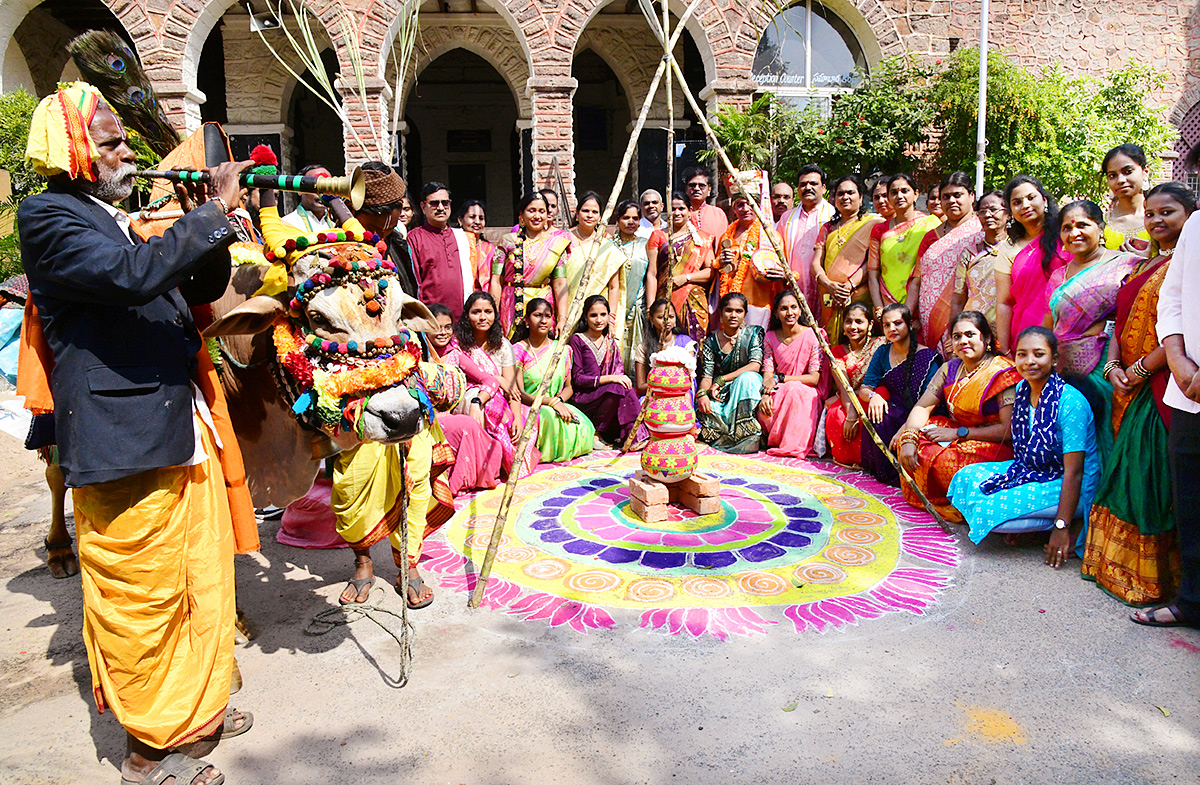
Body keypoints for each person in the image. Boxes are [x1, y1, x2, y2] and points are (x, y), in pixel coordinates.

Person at [19, 83, 255, 785]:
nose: (129, 151)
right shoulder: (48, 217)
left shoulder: (115, 218)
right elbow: (129, 278)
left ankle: (197, 710)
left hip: (174, 425)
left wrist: (205, 220)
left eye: (125, 138)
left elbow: (192, 286)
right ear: (71, 150)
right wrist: (210, 212)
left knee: (197, 578)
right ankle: (148, 749)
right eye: (112, 140)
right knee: (142, 595)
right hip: (120, 437)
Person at [1085, 183, 1195, 606]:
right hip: (1127, 380)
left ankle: (1159, 581)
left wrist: (1138, 369)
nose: (1156, 220)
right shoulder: (1145, 264)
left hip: (1160, 385)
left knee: (1145, 478)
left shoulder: (1186, 266)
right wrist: (1113, 366)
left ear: (1191, 215)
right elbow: (1119, 317)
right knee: (1125, 474)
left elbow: (1179, 328)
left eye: (1168, 212)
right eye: (1150, 214)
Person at [948, 327, 1101, 564]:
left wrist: (1061, 528)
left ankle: (1060, 525)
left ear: (1054, 360)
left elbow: (1075, 471)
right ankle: (1032, 524)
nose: (1030, 361)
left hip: (1069, 482)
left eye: (1039, 354)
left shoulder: (1071, 403)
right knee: (965, 477)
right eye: (1022, 354)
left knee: (990, 511)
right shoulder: (1022, 389)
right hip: (1034, 469)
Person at [1135, 190, 1200, 628]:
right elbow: (1171, 300)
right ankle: (1191, 601)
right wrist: (1176, 357)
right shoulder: (1196, 227)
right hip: (1188, 391)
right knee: (1191, 502)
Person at [895, 312, 1021, 522]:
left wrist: (959, 433)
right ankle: (943, 497)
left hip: (991, 443)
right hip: (956, 435)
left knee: (946, 461)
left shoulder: (1002, 372)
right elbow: (923, 407)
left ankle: (960, 503)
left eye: (970, 334)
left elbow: (1008, 430)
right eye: (957, 336)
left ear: (987, 338)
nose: (963, 341)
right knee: (912, 441)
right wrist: (909, 437)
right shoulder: (950, 368)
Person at [1046, 200, 1139, 461]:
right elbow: (1049, 326)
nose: (1074, 233)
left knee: (1110, 431)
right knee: (1076, 437)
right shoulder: (1059, 276)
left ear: (1100, 228)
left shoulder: (1128, 264)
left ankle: (1107, 499)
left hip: (1108, 364)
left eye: (1082, 225)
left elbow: (1136, 313)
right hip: (1065, 368)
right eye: (1066, 228)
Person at [453, 291, 536, 476]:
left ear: (495, 315)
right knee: (485, 403)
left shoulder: (503, 345)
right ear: (467, 315)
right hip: (468, 399)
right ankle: (481, 464)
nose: (483, 317)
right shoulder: (458, 345)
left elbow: (512, 389)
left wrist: (516, 418)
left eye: (488, 312)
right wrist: (497, 380)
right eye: (476, 312)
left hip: (501, 401)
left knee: (517, 417)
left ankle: (497, 461)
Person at [858, 303, 942, 486]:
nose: (892, 329)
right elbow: (864, 388)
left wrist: (906, 428)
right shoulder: (882, 352)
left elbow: (930, 403)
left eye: (897, 323)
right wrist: (874, 397)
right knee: (878, 415)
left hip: (922, 416)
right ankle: (880, 471)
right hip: (894, 412)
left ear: (910, 325)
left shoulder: (927, 358)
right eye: (887, 325)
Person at [426, 303, 504, 493]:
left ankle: (467, 479)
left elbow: (490, 380)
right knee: (466, 426)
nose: (443, 333)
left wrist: (477, 401)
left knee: (469, 425)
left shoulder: (455, 356)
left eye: (447, 327)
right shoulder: (418, 357)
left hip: (449, 417)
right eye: (436, 328)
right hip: (427, 420)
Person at [907, 172, 983, 353]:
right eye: (946, 197)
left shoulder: (981, 231)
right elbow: (916, 279)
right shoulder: (930, 236)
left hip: (969, 316)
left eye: (958, 195)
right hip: (930, 321)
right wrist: (906, 315)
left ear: (971, 196)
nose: (951, 201)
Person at [512, 298, 595, 462]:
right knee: (550, 416)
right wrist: (551, 402)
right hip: (530, 406)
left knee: (585, 427)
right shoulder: (518, 350)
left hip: (558, 403)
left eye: (548, 316)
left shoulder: (562, 349)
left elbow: (569, 387)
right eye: (537, 315)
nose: (543, 320)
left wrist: (559, 401)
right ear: (527, 320)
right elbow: (521, 394)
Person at [995, 174, 1069, 356]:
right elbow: (1004, 302)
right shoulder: (1009, 249)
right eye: (1017, 202)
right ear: (1011, 211)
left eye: (1031, 198)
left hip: (1068, 329)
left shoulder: (1066, 236)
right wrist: (1004, 349)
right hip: (1025, 334)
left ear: (1044, 200)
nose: (1025, 205)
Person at [812, 174, 885, 339]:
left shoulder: (873, 223)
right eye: (840, 193)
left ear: (860, 198)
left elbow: (873, 262)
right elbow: (816, 262)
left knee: (860, 339)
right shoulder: (827, 228)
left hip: (859, 294)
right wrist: (828, 283)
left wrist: (850, 285)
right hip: (829, 295)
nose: (845, 197)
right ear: (834, 199)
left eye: (850, 193)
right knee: (830, 343)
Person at [491, 192, 571, 335]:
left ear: (547, 215)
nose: (537, 216)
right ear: (521, 214)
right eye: (531, 211)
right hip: (511, 303)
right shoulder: (507, 241)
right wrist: (494, 314)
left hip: (543, 305)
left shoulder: (556, 245)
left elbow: (560, 284)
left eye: (541, 211)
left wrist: (563, 318)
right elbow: (496, 281)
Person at [568, 295, 641, 447]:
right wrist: (610, 378)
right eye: (593, 315)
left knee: (624, 387)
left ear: (609, 316)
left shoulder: (611, 343)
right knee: (616, 386)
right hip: (585, 397)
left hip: (608, 398)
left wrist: (616, 379)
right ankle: (603, 433)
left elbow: (619, 373)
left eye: (603, 314)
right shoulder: (578, 339)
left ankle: (631, 435)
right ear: (586, 317)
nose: (599, 320)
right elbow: (578, 379)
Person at [759, 289, 825, 457]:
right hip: (778, 389)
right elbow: (768, 371)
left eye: (794, 307)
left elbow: (814, 378)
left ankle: (793, 445)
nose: (790, 313)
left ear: (801, 310)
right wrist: (765, 394)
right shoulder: (770, 337)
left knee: (794, 389)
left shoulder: (812, 336)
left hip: (805, 390)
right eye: (784, 308)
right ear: (775, 313)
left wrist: (782, 379)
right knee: (766, 406)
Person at [697, 292, 765, 453]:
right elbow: (707, 376)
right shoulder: (711, 342)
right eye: (729, 310)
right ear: (721, 313)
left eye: (739, 311)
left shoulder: (754, 333)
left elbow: (755, 365)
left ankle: (746, 435)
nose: (733, 315)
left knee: (747, 379)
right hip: (722, 393)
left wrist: (721, 379)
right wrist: (702, 395)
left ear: (745, 314)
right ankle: (727, 437)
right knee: (706, 408)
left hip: (747, 391)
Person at [644, 193, 715, 343]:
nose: (677, 213)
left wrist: (686, 278)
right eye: (673, 209)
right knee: (665, 343)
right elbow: (652, 274)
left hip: (694, 301)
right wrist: (651, 307)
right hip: (666, 299)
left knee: (696, 343)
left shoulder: (702, 238)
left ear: (689, 211)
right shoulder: (658, 236)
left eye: (681, 208)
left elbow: (710, 271)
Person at [867, 173, 940, 312]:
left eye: (905, 191)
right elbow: (873, 273)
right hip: (887, 302)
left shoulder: (931, 224)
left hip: (922, 302)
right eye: (894, 193)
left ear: (916, 194)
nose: (899, 196)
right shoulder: (879, 229)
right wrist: (879, 307)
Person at [825, 303, 886, 467]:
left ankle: (871, 459)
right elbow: (844, 387)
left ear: (870, 324)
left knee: (873, 412)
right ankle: (848, 457)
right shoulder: (837, 351)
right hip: (849, 398)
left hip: (874, 395)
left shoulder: (881, 344)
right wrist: (851, 415)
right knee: (837, 416)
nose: (853, 326)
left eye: (859, 322)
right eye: (848, 321)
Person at [718, 185, 786, 329]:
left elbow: (782, 269)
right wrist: (721, 260)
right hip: (730, 300)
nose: (745, 208)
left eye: (750, 203)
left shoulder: (769, 235)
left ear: (758, 206)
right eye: (740, 205)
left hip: (758, 301)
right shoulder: (727, 235)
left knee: (755, 344)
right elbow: (718, 265)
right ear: (734, 209)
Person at [352, 162, 420, 298]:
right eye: (373, 229)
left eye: (389, 229)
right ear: (353, 211)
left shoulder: (398, 240)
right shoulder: (338, 246)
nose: (380, 237)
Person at [409, 182, 475, 319]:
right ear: (423, 207)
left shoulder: (462, 236)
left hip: (463, 319)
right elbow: (414, 283)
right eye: (434, 203)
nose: (440, 208)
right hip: (431, 320)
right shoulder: (415, 238)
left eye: (445, 203)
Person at [776, 163, 834, 314]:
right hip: (793, 288)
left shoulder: (834, 216)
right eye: (803, 184)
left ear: (824, 188)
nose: (808, 187)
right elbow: (777, 251)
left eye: (814, 183)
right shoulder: (787, 218)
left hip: (824, 286)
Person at [950, 190, 1008, 335]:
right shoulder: (969, 253)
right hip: (973, 333)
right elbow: (958, 300)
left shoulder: (1018, 251)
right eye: (982, 211)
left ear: (1008, 213)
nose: (988, 215)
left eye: (994, 209)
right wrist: (953, 338)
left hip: (1008, 330)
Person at [611, 199, 656, 370]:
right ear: (617, 219)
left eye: (635, 218)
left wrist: (650, 309)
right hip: (615, 309)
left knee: (639, 352)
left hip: (639, 307)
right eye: (626, 217)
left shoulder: (646, 245)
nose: (631, 222)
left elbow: (652, 277)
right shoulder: (608, 246)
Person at [566, 191, 625, 313]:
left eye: (594, 212)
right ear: (577, 214)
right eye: (585, 211)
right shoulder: (564, 239)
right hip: (568, 309)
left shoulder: (606, 246)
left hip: (599, 314)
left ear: (600, 217)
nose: (590, 215)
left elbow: (614, 287)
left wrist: (612, 317)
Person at [635, 297, 699, 396]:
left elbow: (688, 377)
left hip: (681, 394)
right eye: (661, 317)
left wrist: (666, 384)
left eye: (671, 317)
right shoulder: (643, 348)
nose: (667, 321)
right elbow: (640, 387)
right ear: (651, 319)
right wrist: (663, 385)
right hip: (653, 395)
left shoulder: (686, 343)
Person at [1101, 143, 1151, 252]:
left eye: (1128, 172)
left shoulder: (1160, 220)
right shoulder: (1101, 223)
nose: (1120, 180)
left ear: (1145, 172)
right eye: (1112, 175)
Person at [280, 162, 333, 232]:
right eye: (316, 187)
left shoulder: (337, 225)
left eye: (327, 188)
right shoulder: (286, 224)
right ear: (299, 190)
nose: (322, 194)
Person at [457, 198, 495, 293]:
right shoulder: (455, 246)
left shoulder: (489, 249)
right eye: (472, 217)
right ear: (460, 220)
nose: (477, 222)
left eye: (481, 218)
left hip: (484, 298)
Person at [683, 166, 729, 238]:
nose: (696, 188)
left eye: (701, 185)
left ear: (709, 190)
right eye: (692, 185)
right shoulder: (679, 213)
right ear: (686, 190)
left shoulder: (718, 214)